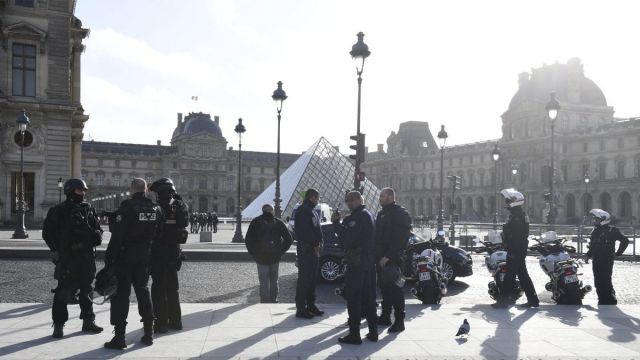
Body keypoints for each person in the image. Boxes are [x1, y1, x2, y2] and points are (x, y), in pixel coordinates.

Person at [104, 178, 163, 349]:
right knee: (143, 292)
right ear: (145, 190)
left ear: (131, 189)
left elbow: (117, 236)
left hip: (126, 255)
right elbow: (159, 235)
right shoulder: (156, 209)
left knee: (121, 295)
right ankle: (148, 333)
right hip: (145, 255)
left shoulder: (128, 207)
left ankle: (120, 337)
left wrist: (109, 259)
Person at [42, 179, 104, 338]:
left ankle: (88, 321)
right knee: (62, 292)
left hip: (86, 258)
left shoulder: (88, 208)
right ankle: (58, 325)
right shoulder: (59, 210)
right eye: (79, 190)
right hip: (68, 258)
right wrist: (58, 250)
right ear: (70, 191)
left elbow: (98, 230)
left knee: (87, 290)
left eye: (84, 190)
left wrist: (95, 235)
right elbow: (48, 233)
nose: (83, 193)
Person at [332, 191, 378, 344]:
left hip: (357, 263)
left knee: (354, 298)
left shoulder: (357, 217)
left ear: (360, 199)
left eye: (351, 200)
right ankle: (373, 331)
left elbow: (347, 241)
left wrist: (337, 225)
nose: (348, 203)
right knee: (369, 298)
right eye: (347, 200)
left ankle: (354, 334)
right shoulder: (368, 214)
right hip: (368, 262)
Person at [149, 178, 189, 333]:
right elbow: (183, 225)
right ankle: (176, 321)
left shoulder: (156, 207)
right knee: (173, 289)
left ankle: (161, 324)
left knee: (158, 288)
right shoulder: (180, 206)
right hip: (174, 252)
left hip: (158, 252)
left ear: (159, 192)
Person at [374, 188, 411, 332]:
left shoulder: (400, 213)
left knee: (395, 290)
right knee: (385, 289)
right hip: (381, 257)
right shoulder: (382, 213)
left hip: (392, 258)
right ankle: (385, 316)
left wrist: (388, 256)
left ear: (390, 196)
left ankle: (400, 321)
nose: (380, 198)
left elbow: (401, 238)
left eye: (382, 196)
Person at [495, 188, 539, 308]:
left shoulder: (517, 217)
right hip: (518, 250)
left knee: (510, 276)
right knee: (523, 276)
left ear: (515, 201)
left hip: (515, 250)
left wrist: (511, 249)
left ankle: (503, 302)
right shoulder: (517, 215)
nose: (506, 203)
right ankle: (533, 300)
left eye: (508, 200)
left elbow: (517, 236)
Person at [245, 204, 293, 303]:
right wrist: (281, 251)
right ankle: (273, 300)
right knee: (274, 281)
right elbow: (289, 239)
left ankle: (264, 302)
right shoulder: (278, 222)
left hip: (260, 258)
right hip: (275, 257)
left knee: (263, 282)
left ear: (263, 211)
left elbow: (248, 240)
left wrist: (253, 253)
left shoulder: (255, 221)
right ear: (272, 211)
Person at [586, 209, 629, 305]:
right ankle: (601, 299)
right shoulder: (595, 230)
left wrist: (618, 253)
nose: (594, 221)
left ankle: (610, 300)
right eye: (594, 219)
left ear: (603, 219)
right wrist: (588, 255)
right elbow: (593, 245)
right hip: (596, 258)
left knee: (605, 279)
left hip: (607, 259)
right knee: (597, 280)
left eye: (596, 219)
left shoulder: (612, 230)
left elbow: (625, 240)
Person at [294, 188, 324, 319]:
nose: (318, 201)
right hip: (307, 249)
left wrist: (319, 242)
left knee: (312, 280)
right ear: (312, 197)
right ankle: (301, 309)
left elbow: (317, 229)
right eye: (318, 198)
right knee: (304, 280)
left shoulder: (311, 210)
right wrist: (315, 243)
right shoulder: (303, 210)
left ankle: (311, 305)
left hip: (313, 250)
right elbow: (304, 232)